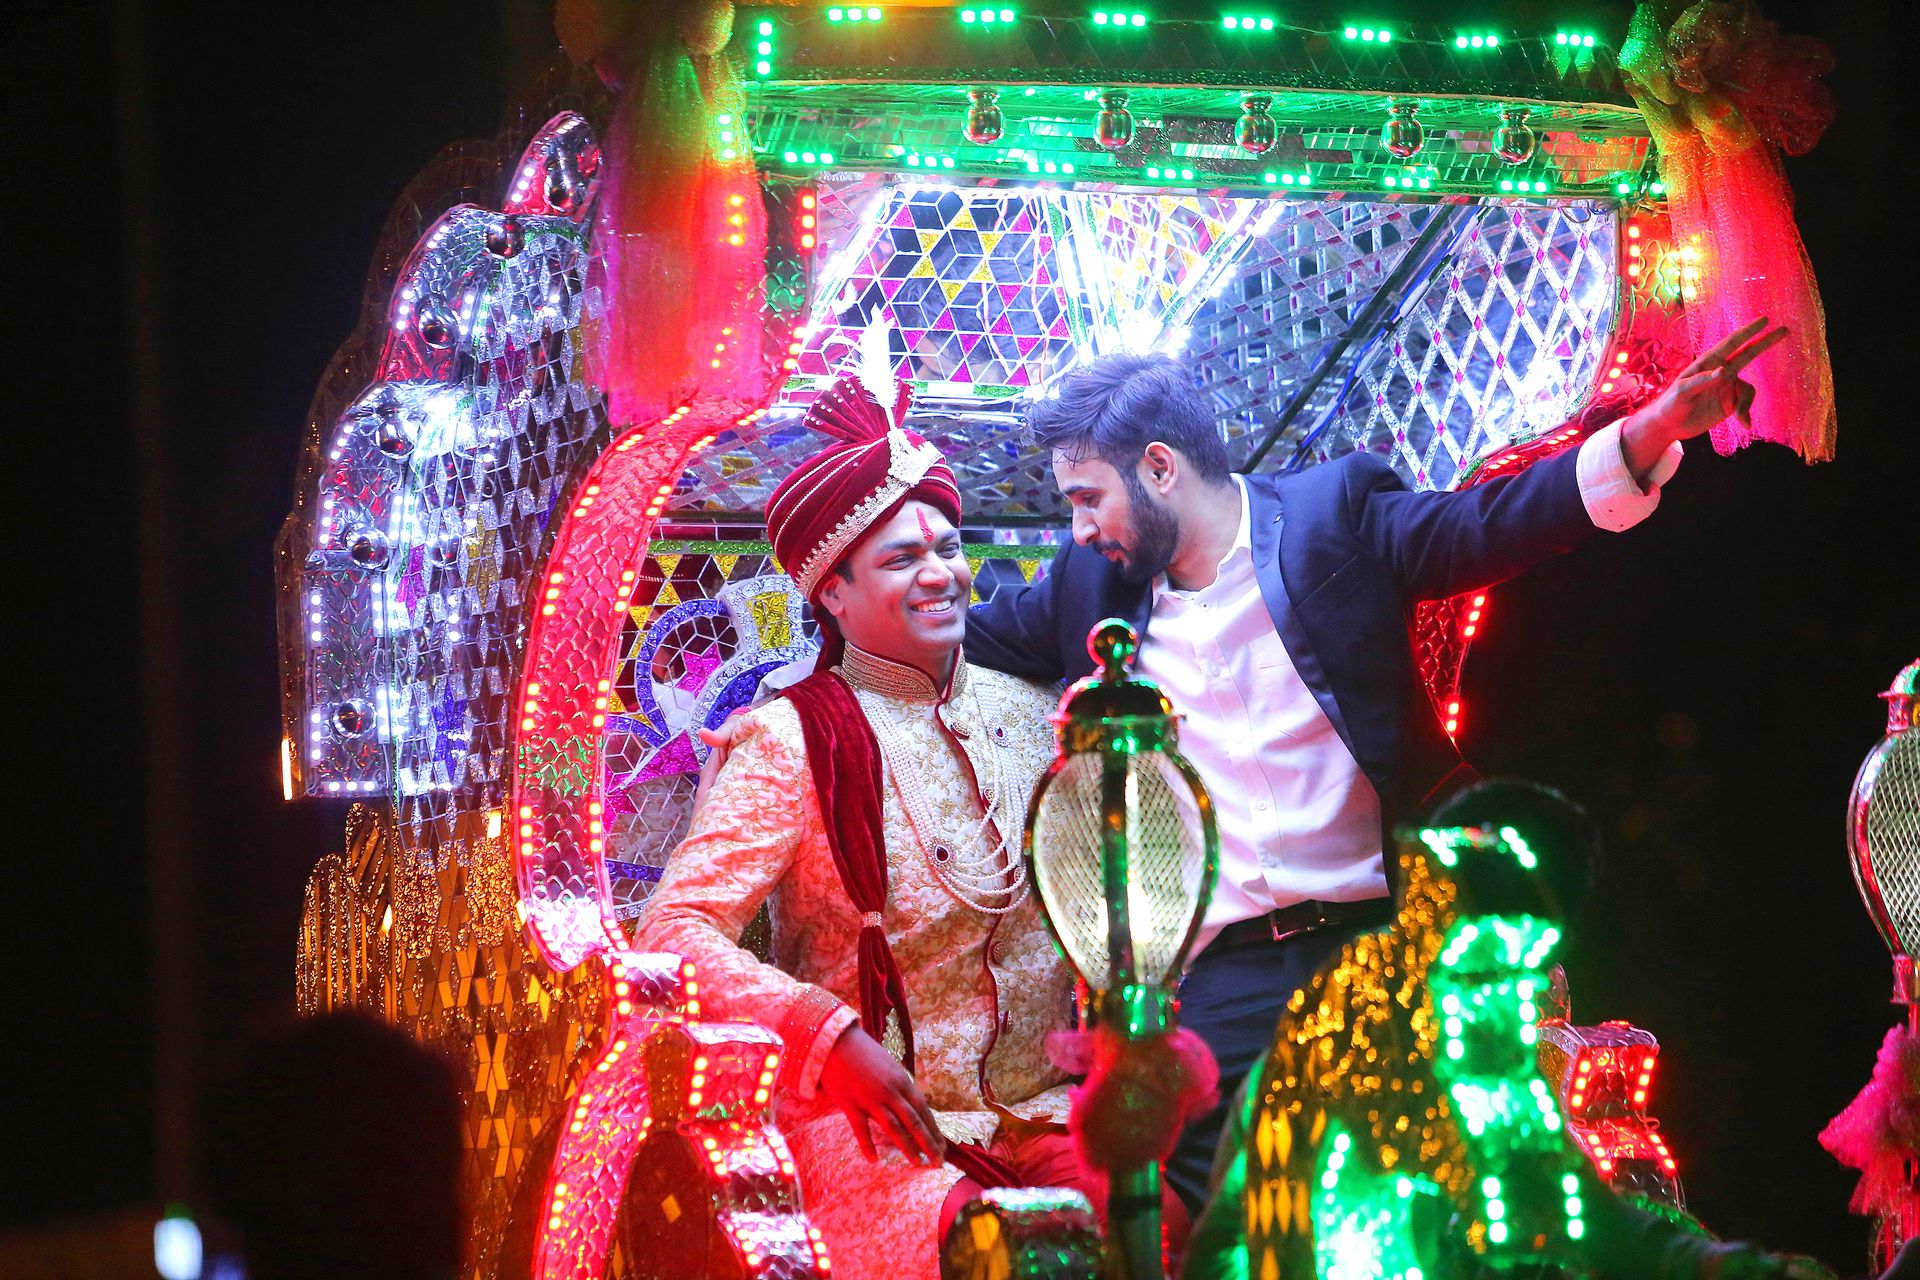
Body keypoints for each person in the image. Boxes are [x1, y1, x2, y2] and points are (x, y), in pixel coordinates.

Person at [953, 316, 1789, 1211]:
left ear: (1160, 468)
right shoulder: (1090, 591)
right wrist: (840, 576)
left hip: (1381, 940)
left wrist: (1650, 432)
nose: (1077, 529)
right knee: (1207, 1222)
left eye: (1087, 498)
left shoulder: (1330, 516)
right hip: (1220, 980)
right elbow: (956, 629)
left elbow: (1487, 524)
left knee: (1412, 1216)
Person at [633, 371, 1174, 1279]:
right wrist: (824, 1037)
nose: (940, 573)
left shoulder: (1039, 715)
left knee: (1161, 1237)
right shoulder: (791, 737)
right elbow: (674, 932)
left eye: (948, 547)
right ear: (833, 595)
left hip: (1043, 1112)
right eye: (899, 559)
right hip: (879, 1124)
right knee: (1011, 1257)